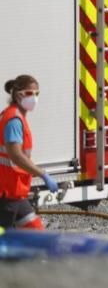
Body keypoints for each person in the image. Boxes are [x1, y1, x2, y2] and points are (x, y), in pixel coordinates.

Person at [1, 75, 59, 231]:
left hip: (16, 193)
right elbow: (17, 156)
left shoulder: (17, 116)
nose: (34, 98)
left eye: (36, 94)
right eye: (29, 93)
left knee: (36, 233)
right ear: (18, 95)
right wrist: (43, 174)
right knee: (6, 239)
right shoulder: (13, 120)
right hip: (7, 194)